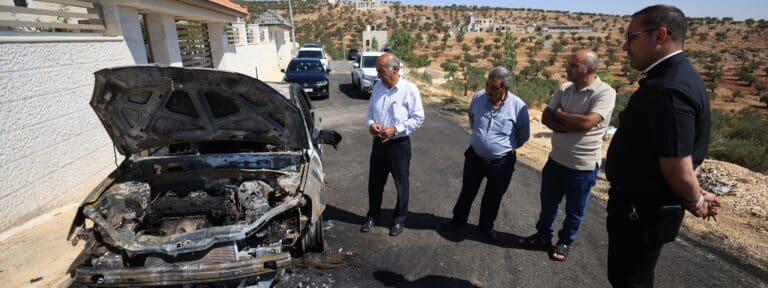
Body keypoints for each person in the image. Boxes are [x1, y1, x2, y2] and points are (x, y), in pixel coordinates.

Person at [605, 5, 721, 287]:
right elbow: (671, 155)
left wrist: (695, 200)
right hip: (643, 208)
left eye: (631, 37)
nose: (624, 47)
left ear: (660, 35)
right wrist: (696, 190)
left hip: (641, 213)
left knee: (631, 281)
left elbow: (678, 168)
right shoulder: (675, 79)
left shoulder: (668, 90)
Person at [521, 50, 616, 261]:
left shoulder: (605, 93)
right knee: (548, 205)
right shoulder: (565, 88)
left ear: (590, 69)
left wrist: (561, 114)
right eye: (568, 62)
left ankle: (565, 242)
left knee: (575, 211)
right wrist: (566, 124)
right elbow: (546, 116)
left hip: (582, 167)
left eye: (573, 64)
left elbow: (586, 123)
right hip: (555, 161)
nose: (567, 67)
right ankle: (542, 236)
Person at [442, 66, 530, 243]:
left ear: (506, 89)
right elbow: (472, 119)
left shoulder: (518, 106)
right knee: (467, 191)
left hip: (501, 163)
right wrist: (482, 141)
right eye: (488, 86)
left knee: (493, 196)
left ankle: (486, 227)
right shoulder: (478, 97)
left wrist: (504, 147)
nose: (489, 91)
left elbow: (523, 135)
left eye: (495, 88)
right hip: (475, 157)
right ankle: (458, 220)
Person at [360, 53, 425, 236]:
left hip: (399, 146)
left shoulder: (410, 89)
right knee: (375, 184)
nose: (378, 75)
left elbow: (418, 118)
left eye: (381, 71)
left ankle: (399, 220)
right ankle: (372, 216)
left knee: (401, 185)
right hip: (379, 144)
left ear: (394, 70)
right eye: (377, 71)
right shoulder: (377, 87)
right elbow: (370, 112)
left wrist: (396, 129)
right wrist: (371, 124)